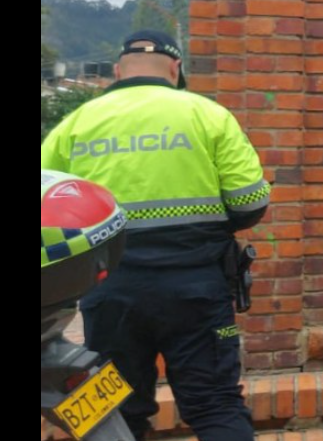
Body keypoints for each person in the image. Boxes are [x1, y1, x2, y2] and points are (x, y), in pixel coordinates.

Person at [41, 30, 269, 441]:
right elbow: (250, 202)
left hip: (109, 290)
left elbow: (48, 209)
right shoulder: (207, 114)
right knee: (215, 403)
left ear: (116, 71)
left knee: (113, 413)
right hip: (197, 285)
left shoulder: (75, 124)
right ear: (175, 68)